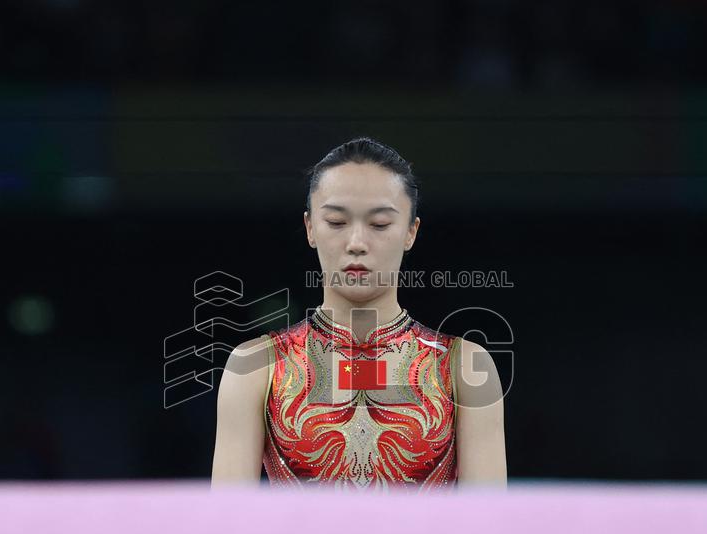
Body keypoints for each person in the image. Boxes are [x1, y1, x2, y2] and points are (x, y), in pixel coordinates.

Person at [211, 137, 507, 490]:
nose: (356, 243)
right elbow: (227, 519)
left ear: (410, 232)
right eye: (336, 222)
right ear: (310, 228)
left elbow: (489, 520)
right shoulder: (256, 367)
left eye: (379, 224)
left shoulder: (464, 368)